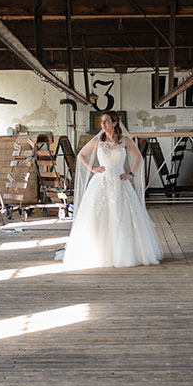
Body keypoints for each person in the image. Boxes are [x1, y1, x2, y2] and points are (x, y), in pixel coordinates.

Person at [62, 111, 163, 269]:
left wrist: (131, 173)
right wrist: (93, 168)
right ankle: (98, 253)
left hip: (119, 181)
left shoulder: (124, 141)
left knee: (122, 216)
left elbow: (138, 157)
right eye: (102, 121)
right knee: (99, 217)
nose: (103, 124)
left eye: (106, 121)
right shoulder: (97, 141)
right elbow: (81, 155)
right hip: (100, 182)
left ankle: (123, 253)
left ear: (115, 123)